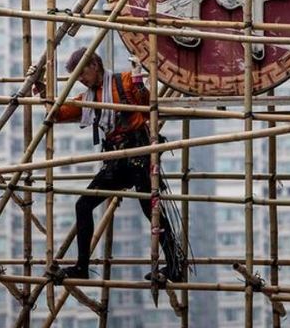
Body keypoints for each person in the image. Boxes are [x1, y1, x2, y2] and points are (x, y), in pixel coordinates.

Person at [31, 48, 186, 281]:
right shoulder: (89, 98)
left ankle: (174, 265)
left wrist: (138, 79)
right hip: (116, 160)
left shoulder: (124, 81)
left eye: (82, 74)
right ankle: (82, 267)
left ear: (95, 65)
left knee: (151, 208)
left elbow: (147, 104)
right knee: (83, 205)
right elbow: (57, 114)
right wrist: (42, 88)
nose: (80, 80)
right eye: (76, 77)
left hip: (139, 154)